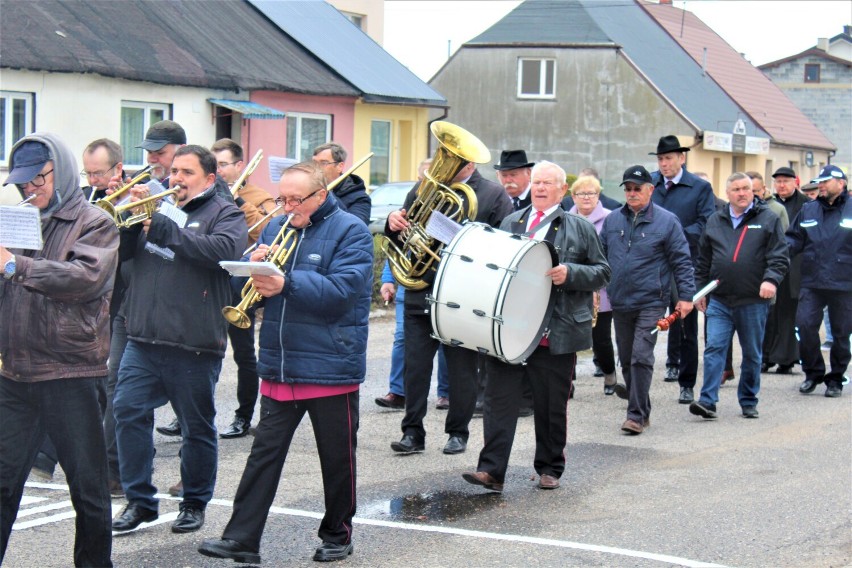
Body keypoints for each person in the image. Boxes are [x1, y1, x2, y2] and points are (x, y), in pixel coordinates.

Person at [197, 161, 373, 564]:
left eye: (297, 199)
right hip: (280, 363)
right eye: (283, 198)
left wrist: (285, 281)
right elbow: (254, 289)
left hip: (330, 366)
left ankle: (337, 534)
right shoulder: (277, 228)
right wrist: (253, 268)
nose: (288, 207)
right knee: (263, 455)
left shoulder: (351, 231)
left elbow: (343, 292)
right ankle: (242, 538)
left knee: (337, 458)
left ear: (321, 195)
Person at [111, 145, 246, 534]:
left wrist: (169, 231)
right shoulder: (155, 211)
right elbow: (122, 260)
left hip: (194, 343)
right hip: (144, 338)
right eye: (173, 171)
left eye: (187, 172)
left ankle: (194, 502)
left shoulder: (225, 213)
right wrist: (129, 228)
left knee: (196, 426)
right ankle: (140, 501)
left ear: (209, 178)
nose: (176, 179)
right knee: (127, 411)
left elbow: (223, 252)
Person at [0, 134, 117, 567]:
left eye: (37, 181)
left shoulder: (95, 221)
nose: (28, 190)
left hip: (70, 374)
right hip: (15, 374)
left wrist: (13, 264)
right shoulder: (15, 219)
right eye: (20, 183)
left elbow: (83, 279)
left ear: (60, 173)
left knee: (87, 488)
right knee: (2, 482)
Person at [462, 161, 610, 492]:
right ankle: (491, 471)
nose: (541, 188)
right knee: (499, 401)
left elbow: (602, 271)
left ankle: (549, 467)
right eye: (538, 182)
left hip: (554, 332)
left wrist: (571, 273)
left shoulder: (579, 226)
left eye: (548, 183)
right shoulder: (511, 221)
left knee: (549, 406)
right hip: (510, 330)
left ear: (562, 190)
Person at [385, 160, 512, 456]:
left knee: (461, 370)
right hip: (421, 290)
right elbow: (402, 235)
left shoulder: (493, 194)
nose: (447, 163)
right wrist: (393, 223)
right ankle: (412, 432)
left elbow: (503, 244)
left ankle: (458, 432)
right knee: (415, 368)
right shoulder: (423, 188)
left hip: (462, 294)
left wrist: (461, 237)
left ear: (469, 162)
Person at [601, 165, 695, 435]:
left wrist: (686, 296)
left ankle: (635, 415)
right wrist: (595, 290)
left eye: (637, 188)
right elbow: (601, 257)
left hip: (652, 300)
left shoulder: (667, 221)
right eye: (628, 189)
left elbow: (682, 261)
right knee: (628, 358)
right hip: (620, 300)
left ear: (650, 190)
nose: (632, 193)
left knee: (642, 356)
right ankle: (642, 406)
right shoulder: (612, 221)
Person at [689, 173, 789, 420]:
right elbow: (703, 260)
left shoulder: (768, 219)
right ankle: (707, 401)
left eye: (746, 188)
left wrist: (771, 280)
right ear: (728, 193)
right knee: (714, 348)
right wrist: (699, 290)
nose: (742, 193)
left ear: (753, 191)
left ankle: (748, 400)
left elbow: (779, 255)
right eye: (736, 189)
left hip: (753, 300)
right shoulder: (715, 220)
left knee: (752, 353)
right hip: (720, 300)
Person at [212, 138, 279, 439]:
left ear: (240, 166)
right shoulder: (207, 193)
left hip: (240, 285)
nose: (218, 170)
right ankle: (186, 413)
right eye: (214, 165)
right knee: (201, 352)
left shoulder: (259, 196)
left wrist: (237, 199)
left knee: (243, 355)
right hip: (210, 281)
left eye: (223, 164)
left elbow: (264, 229)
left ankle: (243, 415)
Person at [649, 135, 715, 404]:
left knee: (686, 323)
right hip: (651, 263)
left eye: (669, 158)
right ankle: (638, 380)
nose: (664, 164)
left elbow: (706, 223)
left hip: (683, 262)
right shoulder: (649, 184)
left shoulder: (699, 187)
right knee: (646, 318)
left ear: (682, 158)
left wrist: (673, 236)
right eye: (661, 159)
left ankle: (686, 383)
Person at [787, 165, 851, 398]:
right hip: (812, 281)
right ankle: (813, 373)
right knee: (804, 325)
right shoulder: (809, 210)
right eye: (819, 182)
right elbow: (793, 240)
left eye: (825, 182)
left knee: (842, 333)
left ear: (840, 183)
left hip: (844, 283)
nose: (820, 186)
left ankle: (835, 378)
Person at [567, 175, 620, 394]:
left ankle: (609, 373)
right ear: (573, 196)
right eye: (581, 193)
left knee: (600, 338)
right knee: (567, 336)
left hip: (602, 289)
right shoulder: (565, 219)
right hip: (571, 285)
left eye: (591, 193)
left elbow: (613, 255)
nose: (586, 198)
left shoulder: (610, 218)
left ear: (598, 195)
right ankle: (567, 381)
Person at [762, 167, 808, 374]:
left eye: (785, 181)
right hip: (772, 266)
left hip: (796, 266)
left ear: (795, 182)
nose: (781, 185)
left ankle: (787, 358)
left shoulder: (806, 204)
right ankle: (766, 357)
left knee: (789, 314)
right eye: (778, 181)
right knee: (770, 314)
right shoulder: (769, 205)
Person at [312, 142, 371, 225]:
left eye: (323, 163)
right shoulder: (308, 191)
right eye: (314, 163)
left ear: (340, 166)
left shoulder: (360, 199)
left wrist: (327, 194)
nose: (316, 167)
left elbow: (356, 228)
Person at [81, 138, 125, 202]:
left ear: (118, 169)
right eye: (88, 173)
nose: (92, 181)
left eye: (98, 173)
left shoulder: (133, 197)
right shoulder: (81, 197)